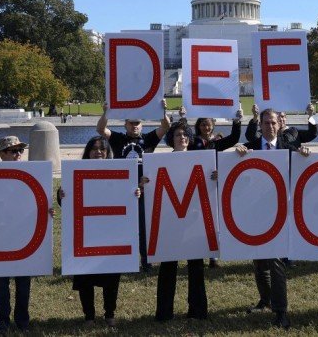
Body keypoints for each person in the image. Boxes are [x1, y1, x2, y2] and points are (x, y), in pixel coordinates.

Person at [0, 136, 55, 332]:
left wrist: (47, 212)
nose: (18, 155)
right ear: (2, 155)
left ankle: (23, 321)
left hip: (24, 236)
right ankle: (3, 320)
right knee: (0, 285)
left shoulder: (33, 174)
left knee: (24, 285)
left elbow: (37, 205)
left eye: (20, 151)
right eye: (13, 151)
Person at [235, 108, 311, 329]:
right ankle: (265, 300)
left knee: (276, 261)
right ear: (260, 125)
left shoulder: (290, 149)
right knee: (259, 260)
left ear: (279, 124)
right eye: (266, 123)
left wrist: (304, 154)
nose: (269, 126)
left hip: (280, 212)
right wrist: (236, 154)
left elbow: (303, 169)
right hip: (255, 212)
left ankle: (281, 311)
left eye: (273, 123)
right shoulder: (247, 149)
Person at [56, 136, 143, 327]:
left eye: (102, 149)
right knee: (85, 276)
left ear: (108, 152)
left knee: (111, 277)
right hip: (86, 234)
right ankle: (89, 316)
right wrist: (62, 194)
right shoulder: (75, 173)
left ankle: (109, 314)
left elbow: (127, 196)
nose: (98, 152)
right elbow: (66, 202)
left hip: (110, 234)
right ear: (87, 152)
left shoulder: (118, 172)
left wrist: (135, 193)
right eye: (94, 149)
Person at [96, 100, 170, 272]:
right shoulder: (118, 139)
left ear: (142, 125)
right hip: (122, 189)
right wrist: (106, 112)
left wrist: (163, 110)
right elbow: (100, 130)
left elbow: (165, 126)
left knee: (144, 228)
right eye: (131, 124)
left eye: (137, 123)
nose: (135, 126)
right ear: (125, 124)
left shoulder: (149, 139)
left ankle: (146, 261)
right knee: (122, 226)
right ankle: (121, 260)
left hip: (144, 190)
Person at [154, 119, 212, 322]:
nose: (183, 138)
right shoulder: (160, 162)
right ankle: (164, 312)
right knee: (168, 266)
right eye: (178, 135)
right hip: (171, 221)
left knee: (196, 266)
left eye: (185, 134)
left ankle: (197, 310)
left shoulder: (200, 161)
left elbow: (207, 187)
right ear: (171, 139)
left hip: (194, 219)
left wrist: (214, 176)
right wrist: (146, 182)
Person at [182, 106, 243, 268]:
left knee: (213, 222)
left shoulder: (217, 142)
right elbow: (181, 135)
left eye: (208, 124)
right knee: (196, 222)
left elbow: (234, 138)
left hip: (213, 186)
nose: (206, 127)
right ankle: (196, 255)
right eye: (203, 124)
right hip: (195, 186)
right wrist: (182, 118)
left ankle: (213, 256)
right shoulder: (193, 142)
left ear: (213, 125)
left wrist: (237, 121)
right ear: (198, 126)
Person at [245, 103, 318, 148]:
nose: (280, 119)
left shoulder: (294, 132)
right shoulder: (266, 131)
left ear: (286, 118)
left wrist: (311, 115)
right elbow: (250, 136)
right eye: (278, 116)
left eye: (282, 116)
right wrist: (255, 117)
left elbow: (313, 134)